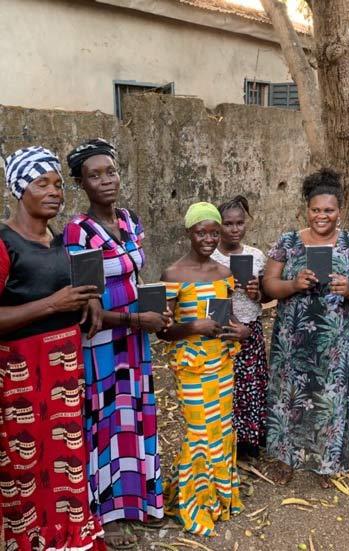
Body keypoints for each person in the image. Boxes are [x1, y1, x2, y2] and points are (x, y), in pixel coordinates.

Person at [64, 139, 170, 548]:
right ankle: (103, 510)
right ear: (81, 183)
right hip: (101, 343)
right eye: (94, 175)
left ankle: (138, 499)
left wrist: (156, 313)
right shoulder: (79, 232)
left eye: (110, 171)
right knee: (105, 421)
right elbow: (85, 306)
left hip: (135, 341)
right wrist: (132, 318)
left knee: (134, 414)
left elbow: (134, 280)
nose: (106, 181)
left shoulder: (129, 222)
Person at [0, 146, 105, 550]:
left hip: (64, 371)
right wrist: (52, 305)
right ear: (19, 190)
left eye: (59, 184)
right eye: (42, 183)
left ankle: (70, 537)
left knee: (66, 460)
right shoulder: (4, 242)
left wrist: (90, 301)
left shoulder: (60, 241)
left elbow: (73, 288)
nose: (55, 191)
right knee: (27, 463)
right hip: (21, 376)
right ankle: (31, 540)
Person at [262, 168, 349, 488]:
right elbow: (269, 285)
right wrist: (294, 284)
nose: (321, 216)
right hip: (293, 340)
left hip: (333, 343)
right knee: (290, 398)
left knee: (328, 400)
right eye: (316, 210)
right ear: (306, 209)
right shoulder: (287, 242)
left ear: (339, 211)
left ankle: (325, 462)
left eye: (329, 210)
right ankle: (287, 460)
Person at [160, 202, 248, 535]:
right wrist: (194, 326)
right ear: (188, 233)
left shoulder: (224, 273)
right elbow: (162, 330)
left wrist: (244, 331)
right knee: (200, 434)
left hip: (222, 363)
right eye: (202, 232)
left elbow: (231, 318)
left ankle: (219, 498)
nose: (209, 238)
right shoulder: (172, 275)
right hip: (193, 368)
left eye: (215, 232)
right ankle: (196, 506)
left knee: (221, 431)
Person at [211, 195, 268, 460]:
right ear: (218, 226)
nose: (235, 229)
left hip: (251, 330)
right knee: (227, 388)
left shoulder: (256, 256)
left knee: (251, 387)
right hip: (222, 333)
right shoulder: (210, 257)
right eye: (228, 224)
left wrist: (257, 293)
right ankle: (226, 441)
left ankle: (249, 441)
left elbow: (265, 298)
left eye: (240, 223)